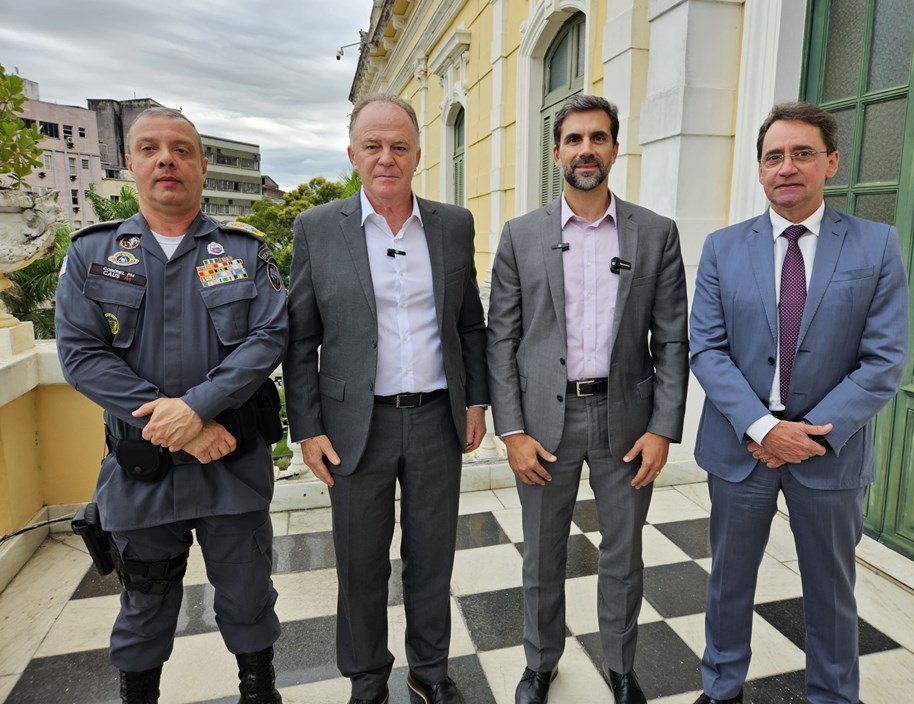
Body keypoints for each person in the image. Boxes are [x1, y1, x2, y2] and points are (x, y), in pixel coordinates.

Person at [56, 107, 288, 703]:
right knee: (145, 603)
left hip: (232, 465)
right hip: (144, 471)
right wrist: (182, 424)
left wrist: (200, 407)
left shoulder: (243, 252)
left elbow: (269, 336)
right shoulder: (92, 254)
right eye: (151, 148)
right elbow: (81, 354)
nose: (167, 159)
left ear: (202, 166)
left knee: (248, 595)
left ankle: (258, 693)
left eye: (182, 149)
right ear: (129, 163)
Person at [688, 102, 909, 704]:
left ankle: (834, 695)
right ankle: (721, 686)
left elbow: (884, 360)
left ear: (830, 163)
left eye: (802, 153)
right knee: (729, 582)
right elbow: (706, 349)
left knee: (831, 590)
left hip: (829, 451)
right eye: (774, 156)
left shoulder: (876, 246)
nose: (787, 167)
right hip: (743, 449)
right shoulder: (722, 248)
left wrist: (803, 434)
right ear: (760, 171)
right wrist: (762, 427)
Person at [283, 93, 488, 704]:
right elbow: (301, 337)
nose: (386, 158)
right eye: (372, 146)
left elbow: (470, 324)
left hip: (435, 422)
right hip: (354, 427)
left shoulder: (453, 225)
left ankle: (430, 675)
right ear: (352, 154)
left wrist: (476, 401)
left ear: (418, 155)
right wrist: (307, 427)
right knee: (360, 565)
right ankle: (367, 682)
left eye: (399, 146)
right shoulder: (317, 228)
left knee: (432, 561)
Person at [487, 94, 689, 704]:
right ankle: (540, 663)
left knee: (624, 555)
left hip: (627, 420)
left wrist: (663, 427)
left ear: (614, 149)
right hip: (546, 421)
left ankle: (621, 668)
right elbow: (502, 338)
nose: (585, 151)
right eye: (574, 140)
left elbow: (673, 339)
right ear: (557, 153)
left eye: (597, 138)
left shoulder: (654, 234)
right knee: (542, 556)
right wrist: (512, 430)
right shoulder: (521, 235)